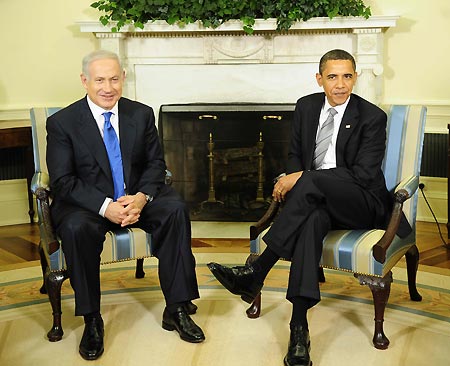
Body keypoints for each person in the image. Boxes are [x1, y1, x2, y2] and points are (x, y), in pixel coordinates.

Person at [207, 49, 411, 366]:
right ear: (320, 79)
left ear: (355, 77)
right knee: (311, 221)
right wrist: (298, 175)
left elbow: (363, 175)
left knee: (311, 183)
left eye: (347, 76)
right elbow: (294, 156)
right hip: (317, 203)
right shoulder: (306, 107)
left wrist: (301, 178)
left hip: (362, 203)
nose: (340, 84)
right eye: (332, 76)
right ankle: (298, 329)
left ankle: (257, 270)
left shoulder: (371, 117)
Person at [46, 50, 205, 361]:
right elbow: (63, 181)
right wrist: (106, 206)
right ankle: (92, 319)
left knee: (174, 209)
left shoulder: (141, 114)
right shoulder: (62, 123)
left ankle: (176, 307)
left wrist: (142, 198)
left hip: (135, 199)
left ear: (123, 79)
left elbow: (156, 164)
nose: (108, 87)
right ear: (85, 81)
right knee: (77, 229)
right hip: (87, 205)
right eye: (100, 80)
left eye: (115, 79)